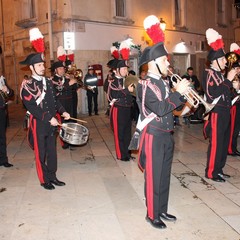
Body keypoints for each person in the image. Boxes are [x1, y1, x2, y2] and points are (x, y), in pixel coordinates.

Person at [137, 15, 190, 229]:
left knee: (165, 176)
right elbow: (158, 108)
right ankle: (152, 214)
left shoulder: (165, 82)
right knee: (153, 176)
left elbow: (171, 108)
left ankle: (162, 209)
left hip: (167, 135)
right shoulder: (145, 84)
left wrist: (184, 99)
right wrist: (177, 94)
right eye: (164, 60)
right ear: (154, 63)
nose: (168, 63)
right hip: (153, 136)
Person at [20, 52, 70, 190]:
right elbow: (32, 107)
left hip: (52, 123)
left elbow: (54, 101)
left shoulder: (47, 81)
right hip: (39, 123)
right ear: (31, 67)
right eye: (39, 65)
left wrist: (62, 111)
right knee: (41, 153)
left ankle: (52, 176)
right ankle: (44, 180)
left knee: (52, 152)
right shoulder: (27, 85)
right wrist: (49, 118)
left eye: (43, 64)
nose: (42, 67)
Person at [202, 28, 237, 183]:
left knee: (223, 144)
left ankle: (219, 169)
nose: (225, 61)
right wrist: (228, 81)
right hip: (216, 113)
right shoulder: (208, 73)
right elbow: (212, 94)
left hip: (225, 112)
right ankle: (211, 172)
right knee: (216, 144)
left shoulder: (219, 74)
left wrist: (234, 88)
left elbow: (225, 94)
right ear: (215, 60)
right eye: (223, 59)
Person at [108, 59, 135, 161]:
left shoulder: (127, 80)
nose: (125, 71)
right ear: (117, 70)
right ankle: (121, 155)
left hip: (127, 109)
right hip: (118, 109)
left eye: (126, 69)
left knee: (128, 133)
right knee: (119, 133)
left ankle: (127, 153)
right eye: (123, 69)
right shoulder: (112, 81)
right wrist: (127, 90)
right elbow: (114, 94)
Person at [51, 60, 78, 149]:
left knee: (71, 122)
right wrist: (68, 84)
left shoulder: (67, 78)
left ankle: (71, 141)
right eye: (60, 68)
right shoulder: (52, 80)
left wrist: (73, 80)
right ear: (55, 70)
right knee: (63, 124)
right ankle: (64, 143)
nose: (62, 70)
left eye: (63, 68)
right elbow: (56, 90)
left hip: (70, 103)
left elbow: (75, 87)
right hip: (61, 105)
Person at [226, 44, 240, 156]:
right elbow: (228, 93)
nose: (238, 70)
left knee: (236, 129)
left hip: (238, 105)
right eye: (236, 68)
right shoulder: (229, 79)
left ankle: (234, 147)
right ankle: (230, 149)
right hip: (233, 106)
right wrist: (237, 90)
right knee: (232, 129)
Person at [0, 75, 14, 168]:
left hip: (1, 112)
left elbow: (11, 93)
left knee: (2, 136)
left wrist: (7, 90)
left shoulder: (2, 80)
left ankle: (3, 160)